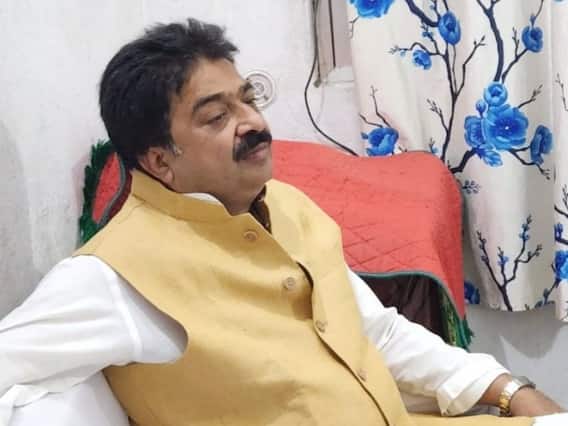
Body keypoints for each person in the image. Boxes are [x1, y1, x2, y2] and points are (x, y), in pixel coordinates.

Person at [0, 18, 565, 426]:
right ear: (159, 160)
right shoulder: (114, 276)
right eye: (216, 117)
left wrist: (509, 389)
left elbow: (376, 332)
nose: (252, 123)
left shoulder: (286, 205)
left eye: (248, 99)